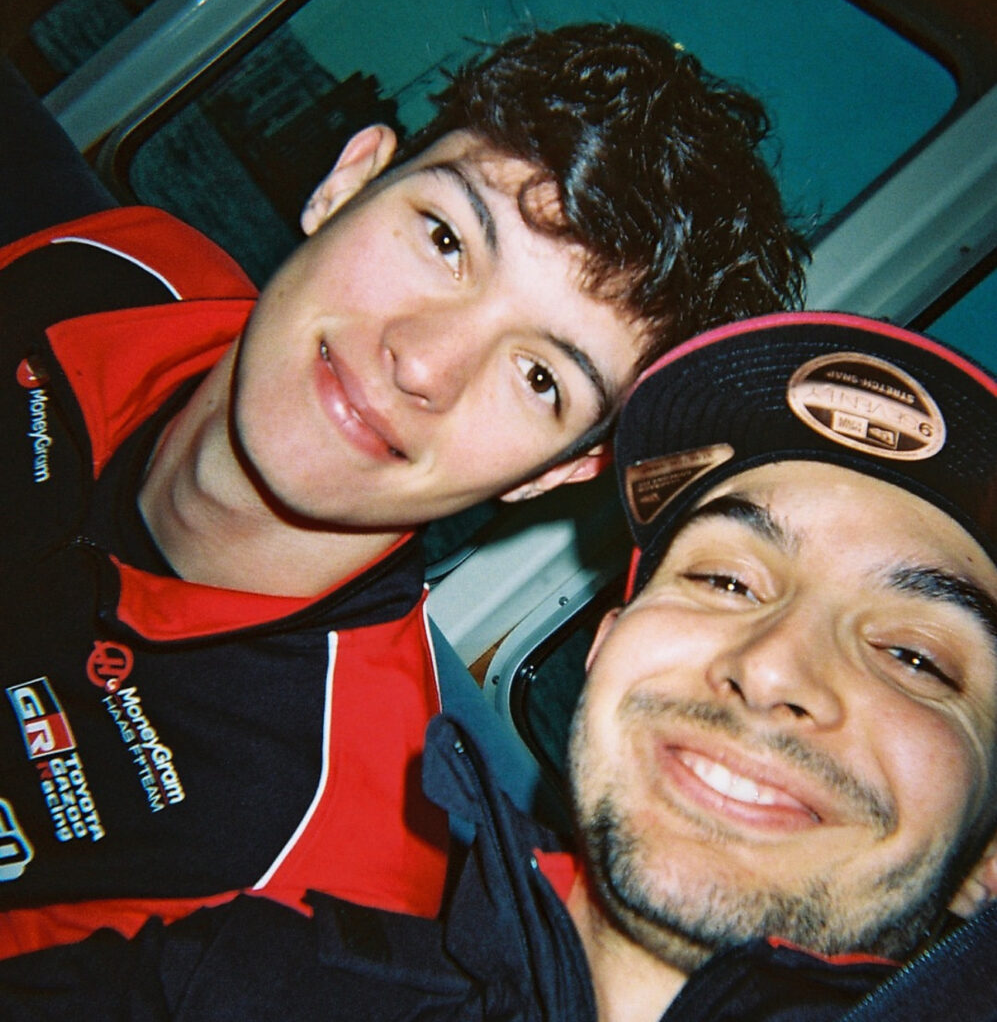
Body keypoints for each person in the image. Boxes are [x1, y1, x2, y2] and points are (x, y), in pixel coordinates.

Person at [0, 23, 809, 957]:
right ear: (348, 180)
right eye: (444, 238)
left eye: (540, 378)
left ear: (558, 471)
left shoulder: (316, 871)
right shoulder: (108, 272)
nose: (424, 363)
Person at [0, 310, 993, 1021]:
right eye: (727, 581)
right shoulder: (238, 975)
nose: (773, 666)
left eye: (912, 655)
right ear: (604, 652)